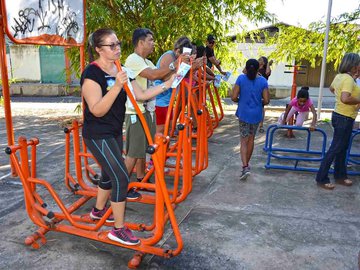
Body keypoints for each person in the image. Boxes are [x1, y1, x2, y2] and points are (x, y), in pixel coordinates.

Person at [81, 28, 174, 245]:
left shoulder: (119, 68)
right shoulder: (91, 74)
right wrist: (117, 86)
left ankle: (97, 211)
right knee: (121, 176)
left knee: (108, 172)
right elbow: (97, 110)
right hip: (96, 134)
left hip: (113, 131)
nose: (117, 49)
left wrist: (166, 85)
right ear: (98, 49)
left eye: (118, 44)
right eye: (111, 45)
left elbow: (140, 95)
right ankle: (118, 229)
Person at [124, 28, 179, 188]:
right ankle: (120, 188)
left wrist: (180, 69)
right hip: (136, 112)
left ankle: (141, 178)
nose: (153, 43)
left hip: (147, 110)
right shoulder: (133, 59)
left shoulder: (146, 62)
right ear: (141, 42)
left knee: (142, 150)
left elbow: (161, 75)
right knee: (133, 153)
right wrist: (172, 65)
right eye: (150, 40)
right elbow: (154, 75)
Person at [315, 52, 360, 190]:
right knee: (335, 148)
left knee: (342, 148)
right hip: (344, 118)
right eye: (358, 63)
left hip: (342, 116)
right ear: (352, 65)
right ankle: (322, 178)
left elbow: (332, 88)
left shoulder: (340, 77)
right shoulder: (347, 79)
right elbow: (345, 98)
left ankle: (340, 176)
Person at [231, 59, 270, 180]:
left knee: (243, 141)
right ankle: (246, 165)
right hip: (256, 114)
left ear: (246, 68)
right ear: (259, 68)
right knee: (251, 139)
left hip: (243, 113)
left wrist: (240, 100)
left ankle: (245, 166)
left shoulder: (241, 79)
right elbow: (267, 100)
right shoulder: (263, 81)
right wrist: (259, 102)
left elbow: (233, 97)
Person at [154, 36, 193, 134]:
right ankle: (158, 149)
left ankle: (164, 149)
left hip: (167, 99)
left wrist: (188, 65)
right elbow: (166, 78)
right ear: (177, 51)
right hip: (159, 99)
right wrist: (178, 63)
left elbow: (183, 77)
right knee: (161, 131)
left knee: (169, 129)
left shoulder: (176, 58)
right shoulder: (169, 56)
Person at [257, 56, 273, 133]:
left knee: (261, 106)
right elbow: (244, 71)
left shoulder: (265, 69)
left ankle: (261, 125)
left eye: (260, 59)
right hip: (254, 89)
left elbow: (268, 72)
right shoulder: (255, 68)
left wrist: (268, 64)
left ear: (263, 62)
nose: (258, 60)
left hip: (262, 89)